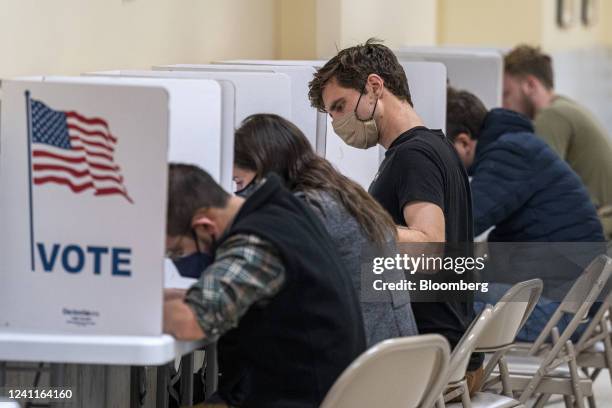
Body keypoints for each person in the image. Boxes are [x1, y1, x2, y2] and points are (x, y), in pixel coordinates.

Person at [307, 39, 483, 393]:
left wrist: (352, 223)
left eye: (339, 106)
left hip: (424, 356)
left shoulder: (412, 157)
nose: (337, 123)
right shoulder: (436, 147)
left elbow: (428, 246)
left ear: (375, 87)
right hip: (448, 349)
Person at [163, 163, 366, 408]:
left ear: (205, 227)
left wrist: (129, 304)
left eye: (176, 252)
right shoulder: (284, 210)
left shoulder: (256, 242)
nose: (178, 261)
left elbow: (191, 322)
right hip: (308, 390)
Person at [233, 113, 419, 346]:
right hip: (392, 357)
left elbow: (251, 281)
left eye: (239, 182)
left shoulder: (309, 209)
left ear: (264, 171)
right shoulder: (342, 192)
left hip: (361, 361)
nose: (238, 193)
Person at [446, 87, 605, 340]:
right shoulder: (519, 146)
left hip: (557, 311)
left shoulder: (510, 154)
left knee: (434, 300)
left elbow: (457, 226)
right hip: (569, 301)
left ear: (464, 142)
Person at [503, 45, 612, 240]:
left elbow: (539, 189)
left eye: (507, 94)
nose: (503, 105)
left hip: (599, 227)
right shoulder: (564, 105)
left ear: (530, 85)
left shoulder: (552, 116)